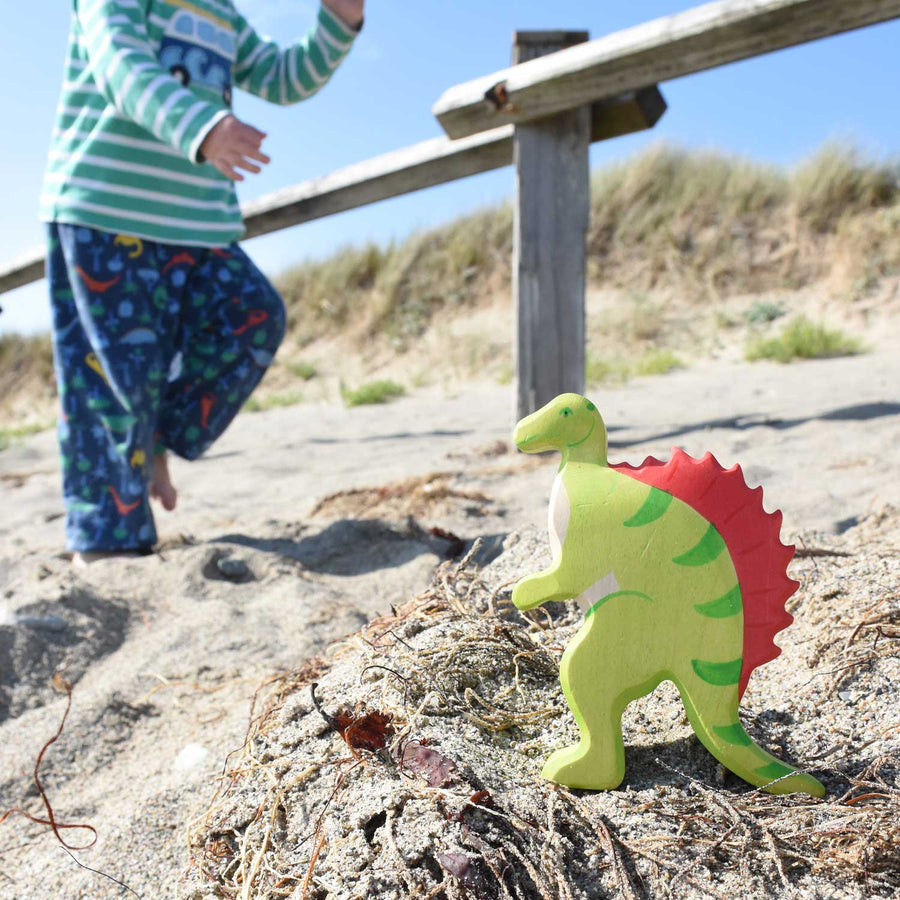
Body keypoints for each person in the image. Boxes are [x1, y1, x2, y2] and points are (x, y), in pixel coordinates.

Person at [40, 0, 365, 565]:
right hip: (105, 213)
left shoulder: (221, 11)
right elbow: (122, 66)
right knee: (114, 384)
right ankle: (106, 546)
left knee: (253, 314)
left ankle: (158, 438)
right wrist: (204, 125)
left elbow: (283, 77)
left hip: (196, 222)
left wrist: (338, 22)